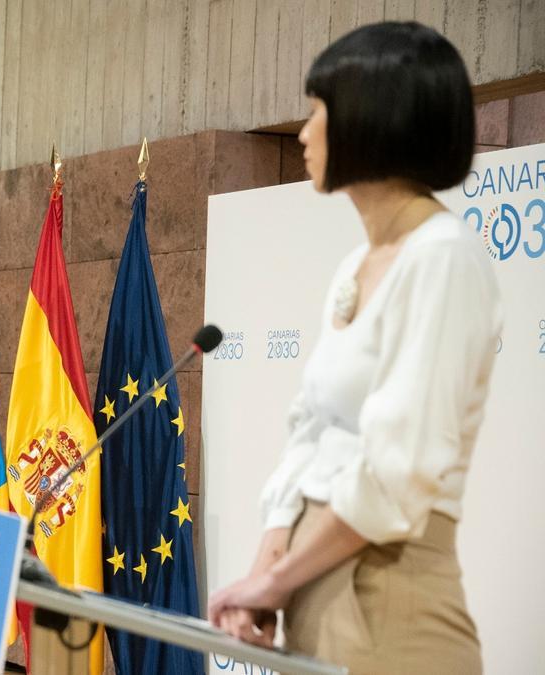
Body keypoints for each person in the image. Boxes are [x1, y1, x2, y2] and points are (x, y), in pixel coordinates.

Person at [208, 22, 498, 674]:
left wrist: (277, 581)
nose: (305, 132)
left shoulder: (442, 259)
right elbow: (311, 431)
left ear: (375, 120)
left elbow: (396, 471)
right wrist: (269, 563)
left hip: (388, 593)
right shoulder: (355, 265)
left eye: (318, 112)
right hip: (316, 577)